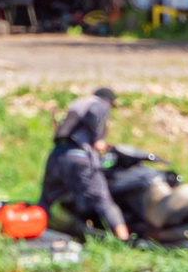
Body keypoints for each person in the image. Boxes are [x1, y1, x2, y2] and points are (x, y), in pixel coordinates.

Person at [40, 87, 133, 242]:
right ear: (109, 101)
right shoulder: (99, 104)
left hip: (57, 155)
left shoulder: (79, 103)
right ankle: (125, 240)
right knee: (103, 199)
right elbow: (97, 123)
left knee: (47, 198)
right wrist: (100, 140)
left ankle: (32, 229)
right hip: (79, 158)